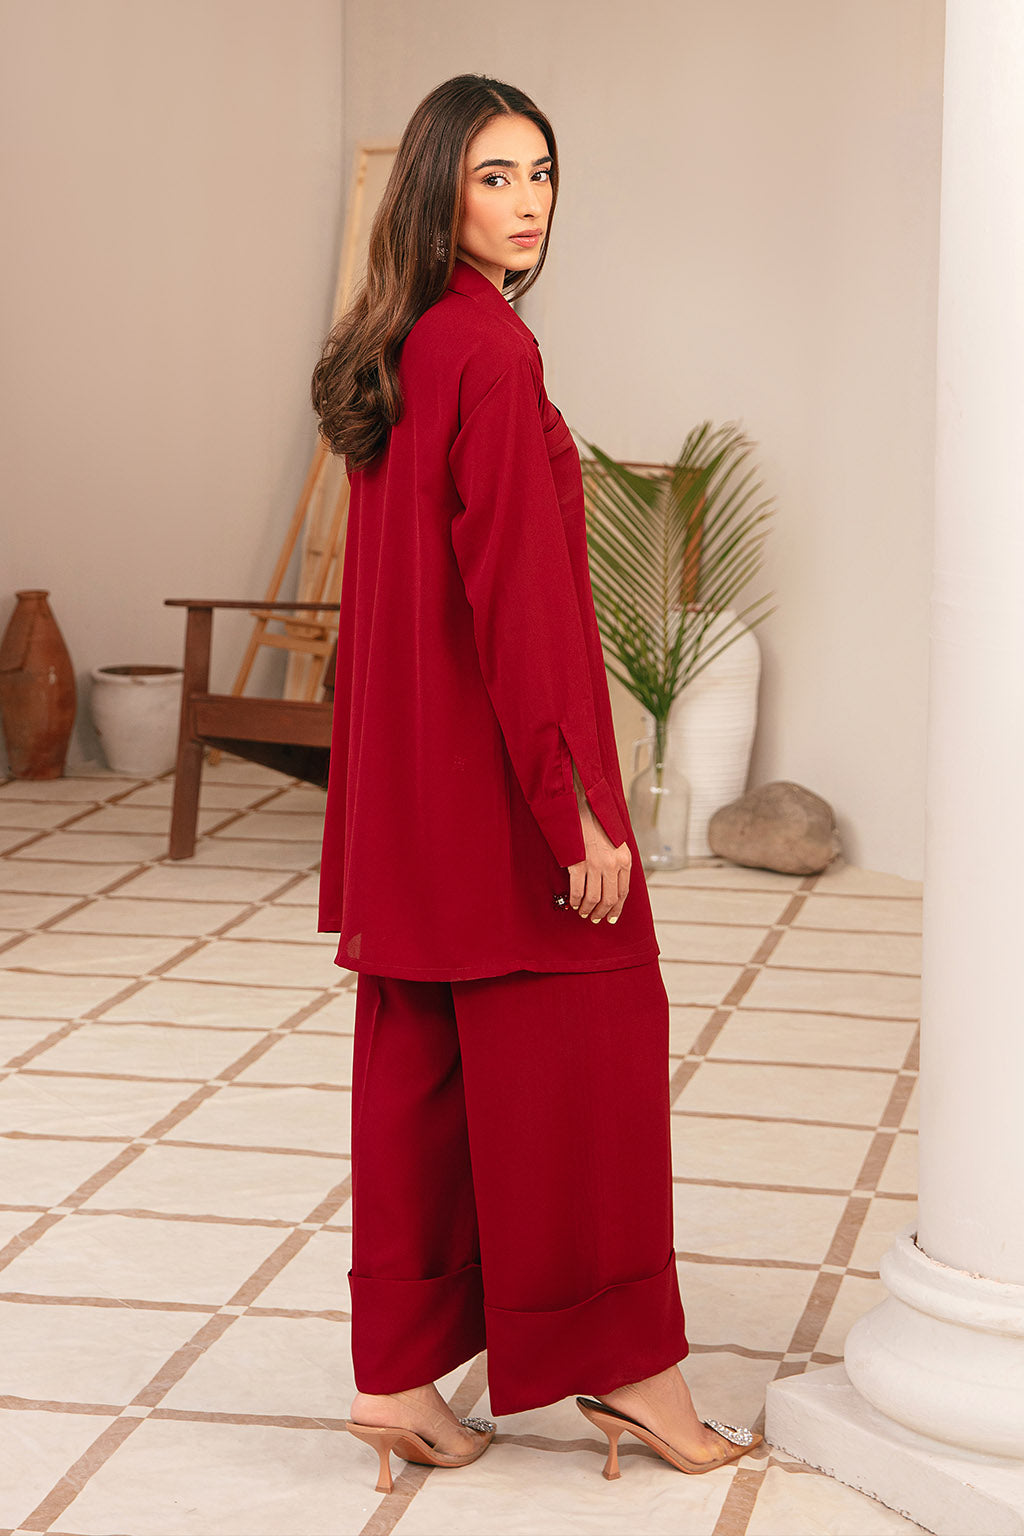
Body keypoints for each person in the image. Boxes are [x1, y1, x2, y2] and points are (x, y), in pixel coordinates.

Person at [310, 73, 762, 1495]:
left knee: (423, 1069)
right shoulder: (490, 355)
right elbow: (520, 600)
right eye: (494, 176)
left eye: (541, 175)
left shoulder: (400, 345)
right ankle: (629, 1371)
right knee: (596, 1052)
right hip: (500, 793)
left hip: (409, 795)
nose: (526, 204)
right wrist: (577, 807)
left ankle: (396, 1380)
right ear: (436, 188)